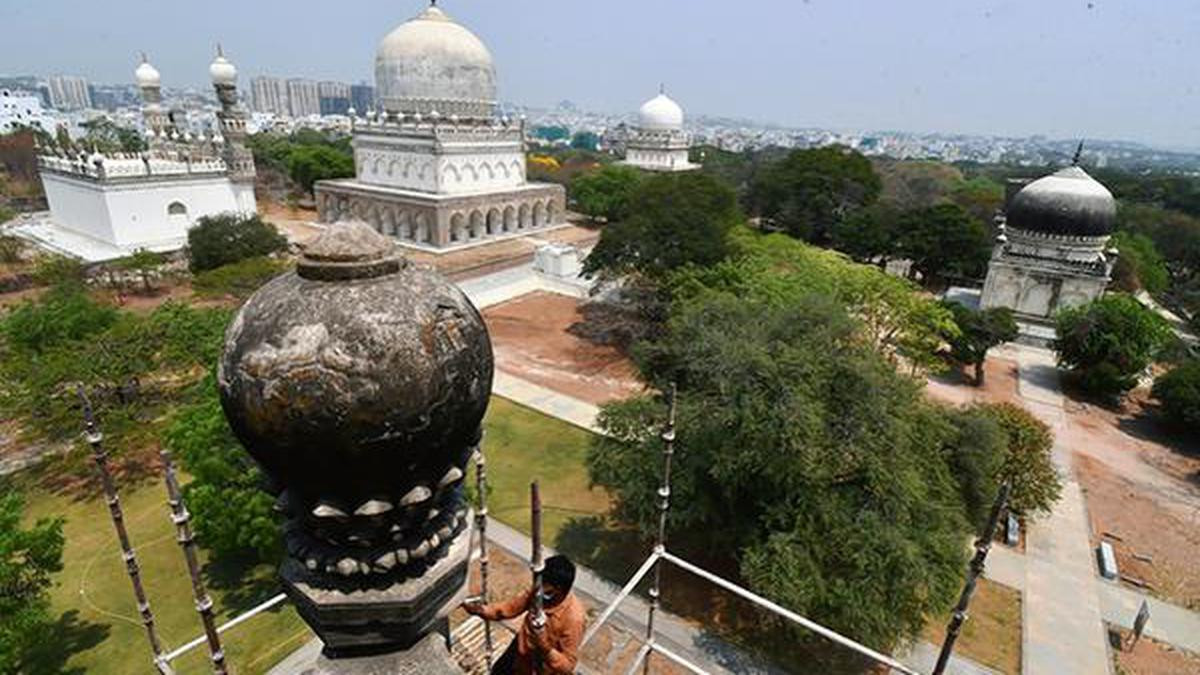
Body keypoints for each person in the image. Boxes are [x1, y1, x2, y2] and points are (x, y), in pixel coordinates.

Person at [463, 554, 585, 675]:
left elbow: (567, 666)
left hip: (540, 668)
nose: (538, 589)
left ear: (558, 589)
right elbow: (507, 610)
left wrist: (545, 647)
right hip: (520, 652)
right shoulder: (538, 592)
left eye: (544, 586)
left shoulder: (574, 619)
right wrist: (479, 610)